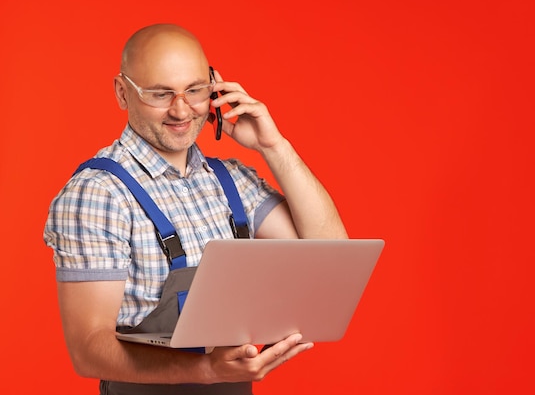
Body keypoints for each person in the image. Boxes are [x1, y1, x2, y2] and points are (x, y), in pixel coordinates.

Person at [43, 23, 348, 395]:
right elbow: (89, 350)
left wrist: (274, 146)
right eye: (160, 93)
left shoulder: (232, 181)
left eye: (195, 89)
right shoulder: (99, 193)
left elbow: (333, 258)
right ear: (123, 93)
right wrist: (207, 369)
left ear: (216, 86)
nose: (181, 109)